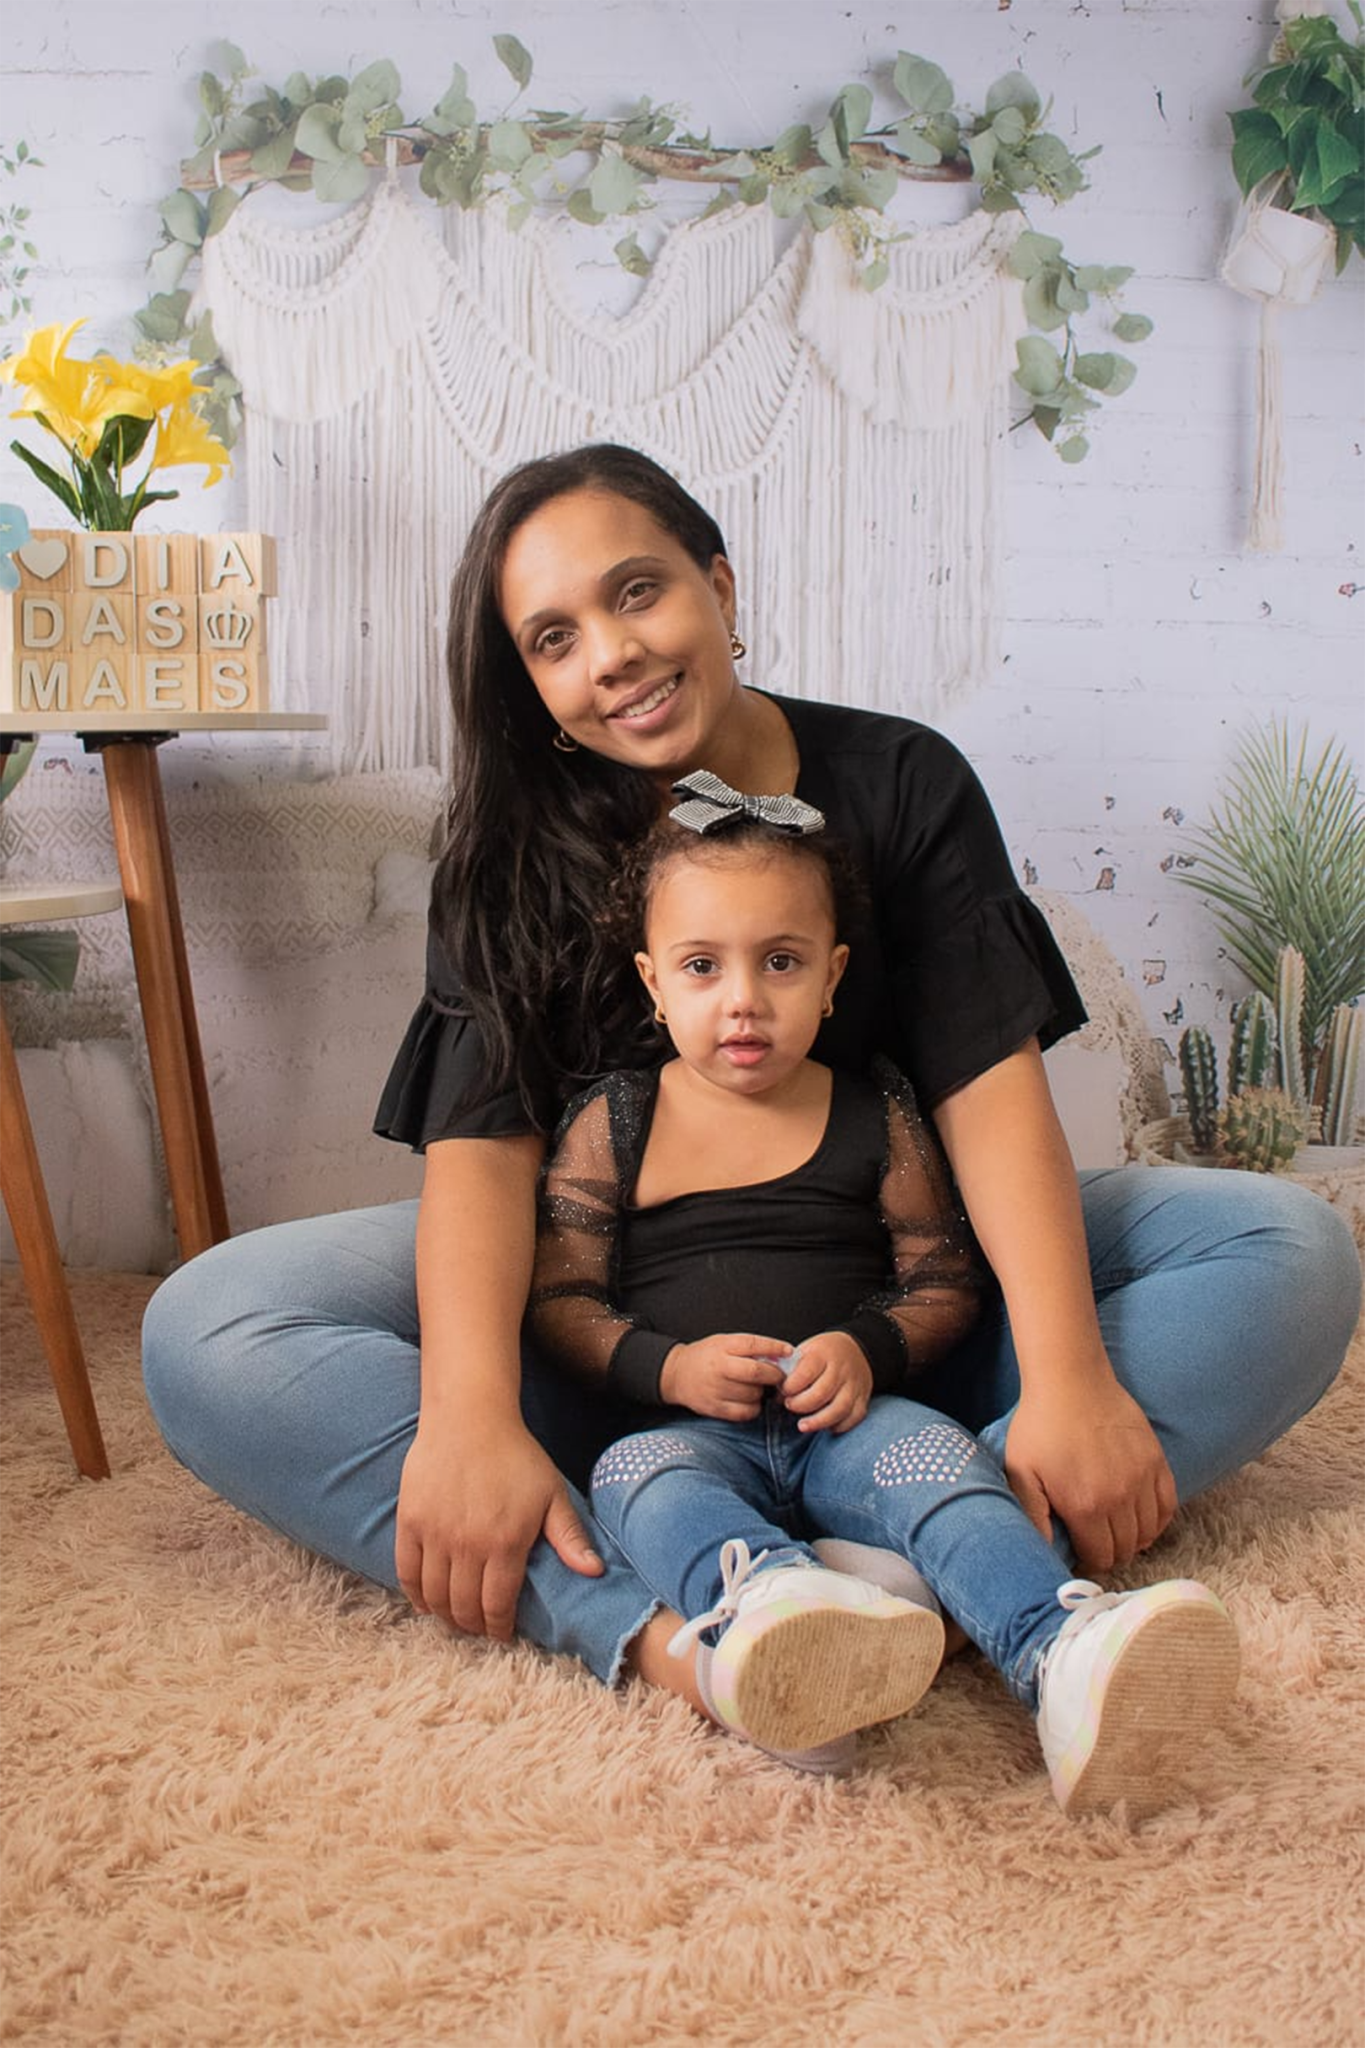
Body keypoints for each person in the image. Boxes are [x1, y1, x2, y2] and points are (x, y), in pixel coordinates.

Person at [142, 443, 1360, 1756]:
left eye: (637, 591)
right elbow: (484, 1158)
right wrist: (469, 1417)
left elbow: (990, 1096)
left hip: (897, 1311)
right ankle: (680, 1635)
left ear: (718, 587)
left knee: (1288, 1248)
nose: (611, 652)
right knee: (211, 1325)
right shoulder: (507, 852)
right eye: (554, 638)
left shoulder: (903, 779)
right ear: (531, 683)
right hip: (605, 1315)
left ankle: (923, 1555)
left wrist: (1068, 1377)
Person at [527, 795, 1242, 1808]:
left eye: (781, 962)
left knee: (948, 1467)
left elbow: (942, 1277)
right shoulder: (617, 1119)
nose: (743, 1000)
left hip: (849, 1423)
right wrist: (667, 1366)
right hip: (692, 1433)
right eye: (702, 967)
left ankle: (1057, 1647)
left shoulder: (874, 1108)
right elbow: (560, 1296)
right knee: (629, 1476)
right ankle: (776, 1622)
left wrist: (866, 1347)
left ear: (833, 977)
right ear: (653, 982)